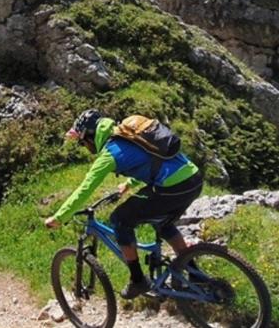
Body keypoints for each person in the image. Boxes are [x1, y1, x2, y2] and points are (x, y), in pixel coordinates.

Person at [44, 109, 204, 299]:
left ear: (90, 137)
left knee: (120, 219)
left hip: (174, 187)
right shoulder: (128, 134)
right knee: (163, 223)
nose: (85, 146)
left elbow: (84, 189)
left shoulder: (109, 154)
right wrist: (129, 184)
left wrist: (60, 217)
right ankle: (196, 276)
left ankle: (138, 280)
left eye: (83, 142)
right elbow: (153, 161)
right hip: (193, 179)